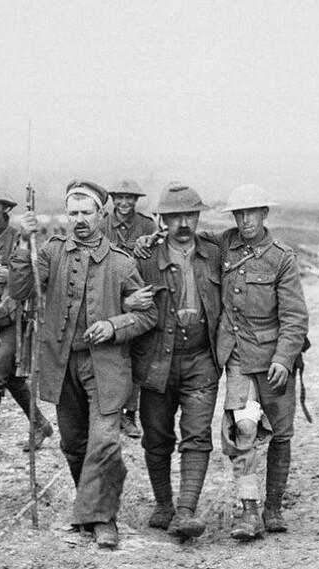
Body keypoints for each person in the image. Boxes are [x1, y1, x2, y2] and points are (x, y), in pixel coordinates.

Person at [10, 180, 157, 550]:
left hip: (106, 367)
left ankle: (104, 518)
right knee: (74, 445)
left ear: (101, 215)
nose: (79, 220)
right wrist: (20, 243)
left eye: (86, 213)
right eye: (72, 213)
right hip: (61, 365)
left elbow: (148, 314)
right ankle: (88, 507)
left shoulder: (122, 263)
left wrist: (114, 325)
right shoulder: (50, 252)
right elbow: (19, 290)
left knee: (104, 442)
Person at [209, 185, 309, 539]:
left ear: (265, 213)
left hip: (273, 362)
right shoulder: (223, 245)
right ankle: (249, 512)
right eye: (239, 213)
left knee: (281, 434)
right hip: (237, 358)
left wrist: (284, 358)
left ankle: (273, 507)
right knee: (244, 430)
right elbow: (186, 241)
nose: (245, 220)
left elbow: (295, 316)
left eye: (251, 212)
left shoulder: (281, 257)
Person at [130, 183, 222, 539]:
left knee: (197, 436)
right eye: (174, 217)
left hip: (201, 359)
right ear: (162, 220)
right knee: (156, 437)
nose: (183, 223)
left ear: (198, 217)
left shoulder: (214, 253)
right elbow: (124, 291)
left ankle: (186, 510)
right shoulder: (144, 257)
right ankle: (163, 504)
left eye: (190, 215)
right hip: (156, 360)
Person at [0, 187, 53, 466]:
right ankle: (39, 424)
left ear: (6, 209)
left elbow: (35, 275)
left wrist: (12, 272)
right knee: (9, 377)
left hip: (10, 316)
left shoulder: (18, 237)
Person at [101, 179, 157, 439]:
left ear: (137, 200)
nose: (125, 203)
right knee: (110, 355)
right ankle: (109, 411)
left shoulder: (147, 225)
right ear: (112, 199)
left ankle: (130, 414)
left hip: (138, 293)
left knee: (136, 355)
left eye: (130, 198)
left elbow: (157, 259)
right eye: (119, 198)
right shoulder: (101, 225)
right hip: (109, 295)